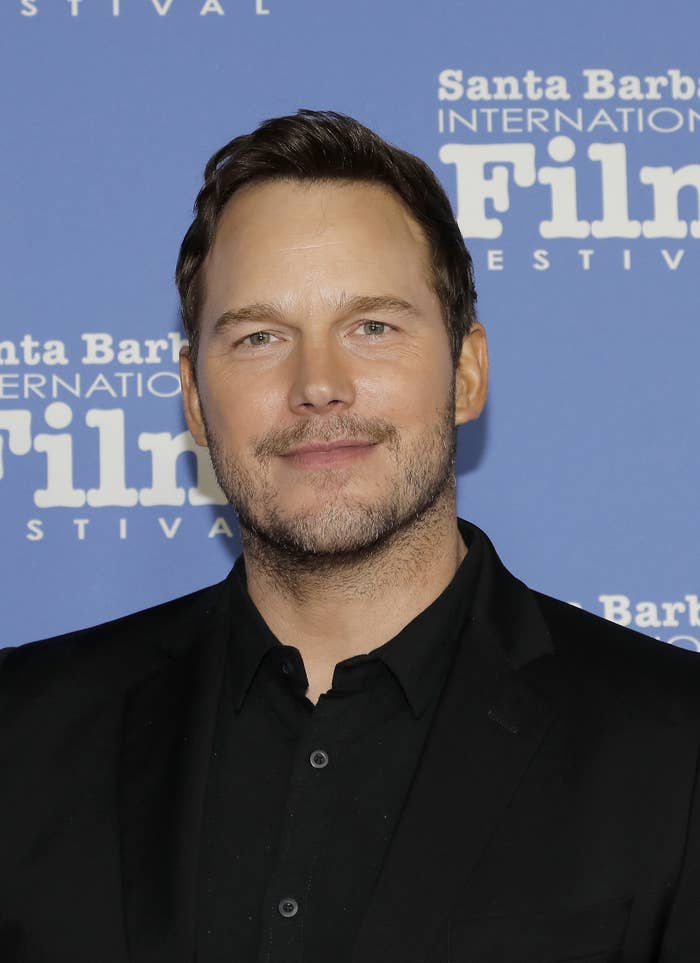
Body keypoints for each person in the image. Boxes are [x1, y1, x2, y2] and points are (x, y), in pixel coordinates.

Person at [1, 109, 700, 963]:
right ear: (191, 397)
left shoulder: (673, 748)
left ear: (466, 371)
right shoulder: (23, 734)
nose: (317, 385)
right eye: (260, 336)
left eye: (372, 326)